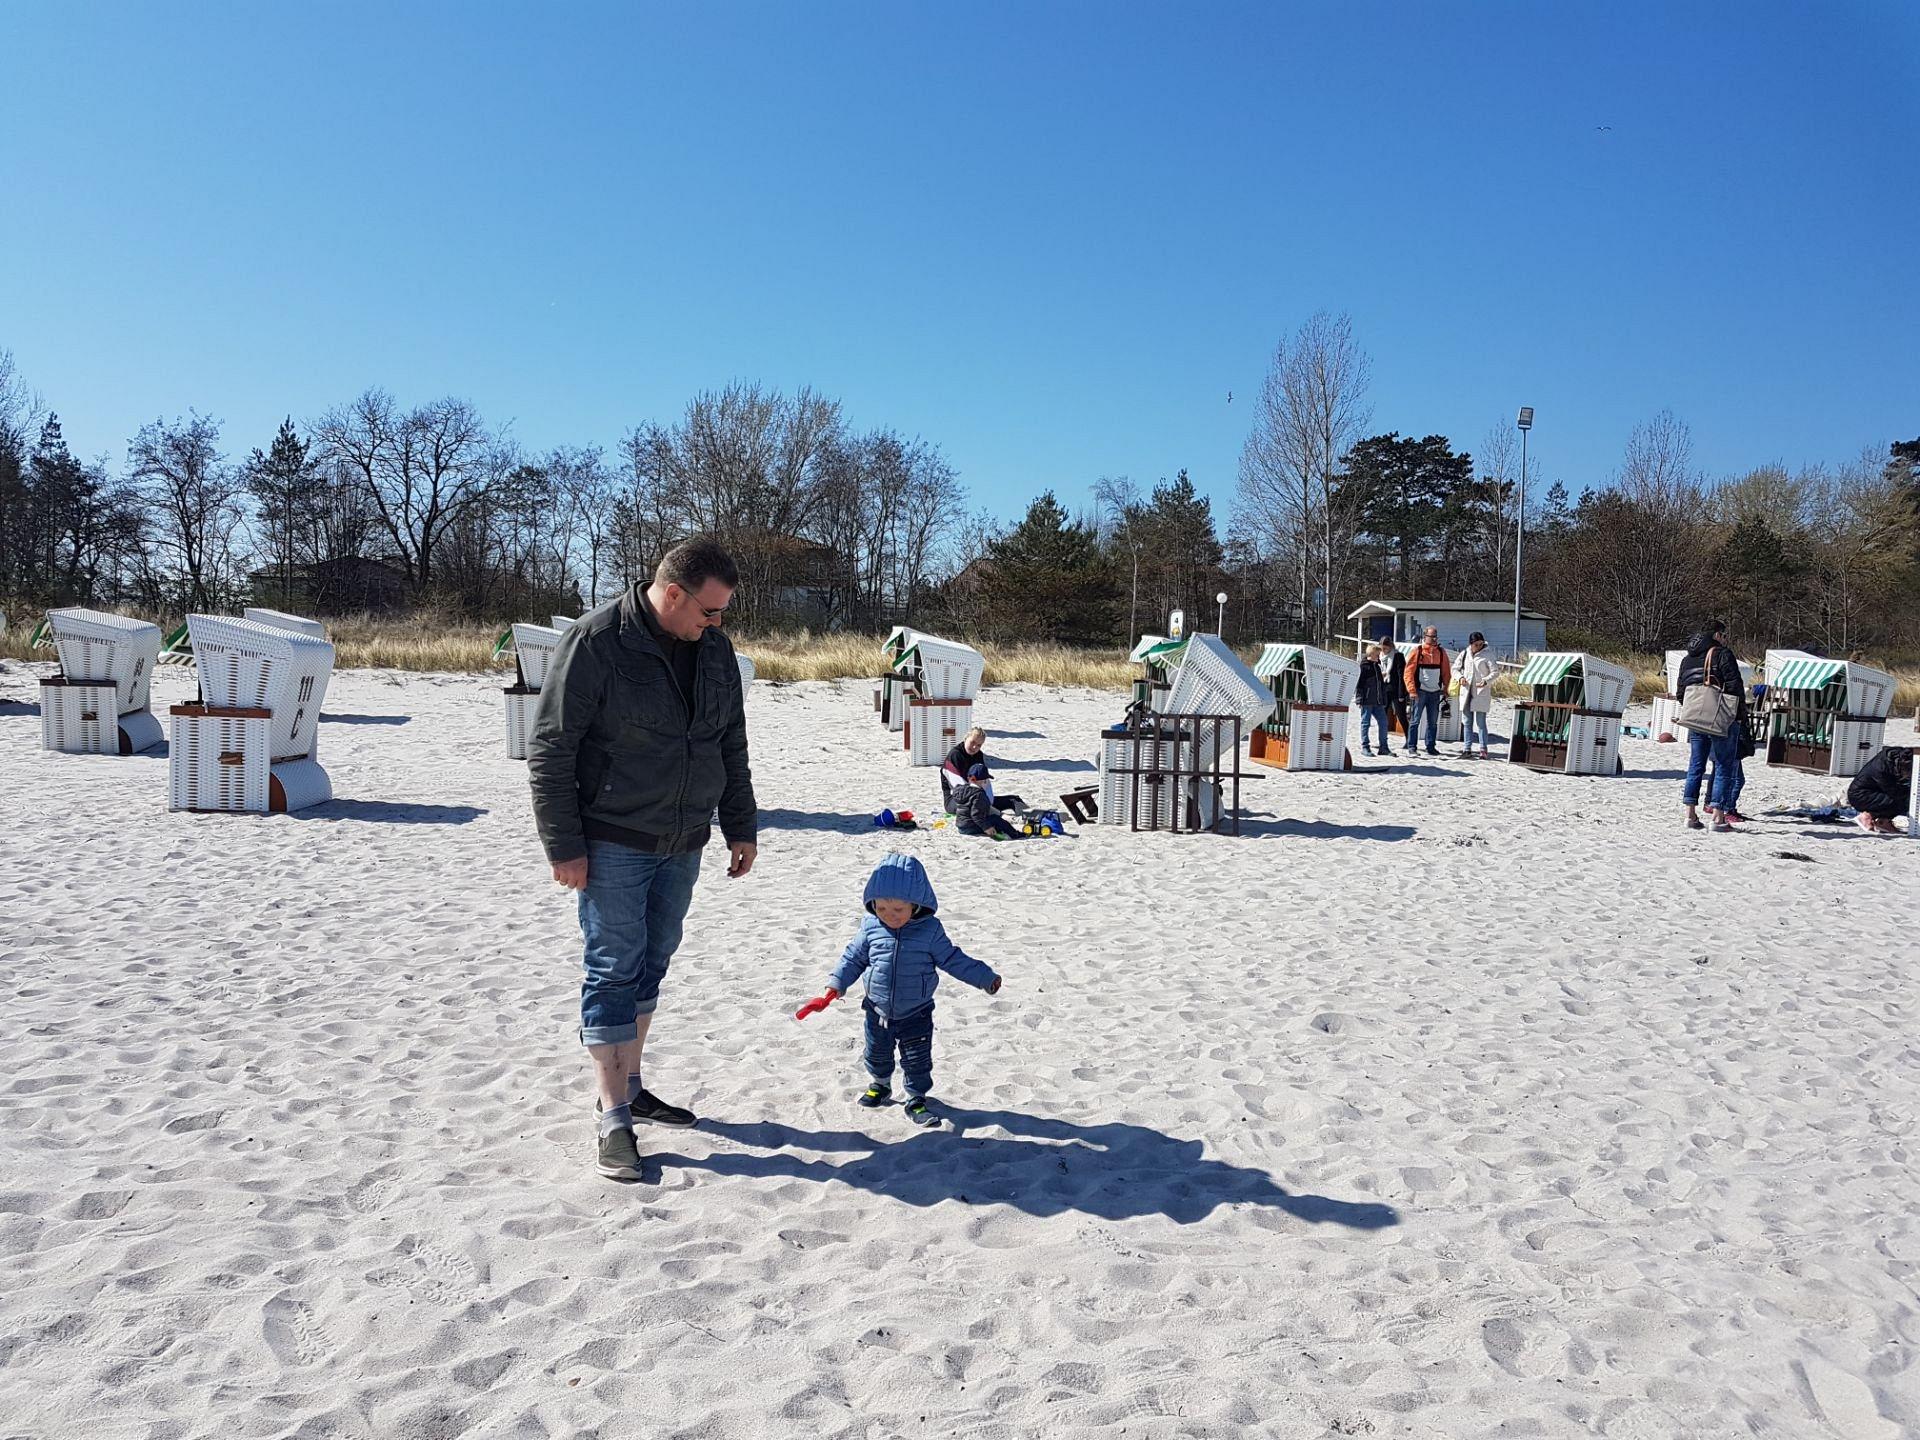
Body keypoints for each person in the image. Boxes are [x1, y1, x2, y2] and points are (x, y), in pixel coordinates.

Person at [527, 535, 758, 1182]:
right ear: (674, 593)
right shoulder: (597, 641)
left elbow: (730, 742)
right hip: (611, 841)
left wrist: (741, 825)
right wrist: (564, 844)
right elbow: (551, 749)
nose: (717, 624)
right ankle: (612, 1118)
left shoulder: (713, 649)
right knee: (612, 970)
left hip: (683, 839)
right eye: (709, 611)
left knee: (653, 964)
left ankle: (630, 1085)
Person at [814, 854, 1002, 1128]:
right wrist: (836, 985)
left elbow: (951, 958)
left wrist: (984, 977)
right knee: (876, 1053)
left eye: (898, 910)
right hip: (877, 1009)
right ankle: (880, 1084)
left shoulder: (930, 931)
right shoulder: (870, 927)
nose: (890, 917)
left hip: (916, 1011)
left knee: (916, 1059)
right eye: (881, 909)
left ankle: (916, 1098)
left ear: (916, 905)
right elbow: (854, 958)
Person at [1676, 620, 1743, 833]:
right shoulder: (1722, 654)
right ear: (1716, 635)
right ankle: (1718, 816)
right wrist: (1738, 715)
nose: (1725, 639)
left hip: (1695, 719)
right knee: (1724, 765)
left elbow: (1680, 692)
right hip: (1719, 718)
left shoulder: (1688, 658)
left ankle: (1690, 814)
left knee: (1696, 765)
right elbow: (1734, 686)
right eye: (1723, 634)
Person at [1403, 626, 1452, 757]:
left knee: (1433, 722)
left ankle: (1431, 746)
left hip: (1435, 692)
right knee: (1415, 721)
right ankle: (1412, 746)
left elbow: (1446, 672)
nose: (1434, 638)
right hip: (1419, 692)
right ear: (1425, 637)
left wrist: (1446, 688)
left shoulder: (1441, 653)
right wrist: (1412, 690)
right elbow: (1408, 673)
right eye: (1432, 636)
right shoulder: (1417, 651)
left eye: (1436, 636)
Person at [1847, 745, 1914, 833]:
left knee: (1904, 798)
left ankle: (1883, 821)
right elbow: (1893, 791)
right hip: (1860, 796)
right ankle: (1868, 816)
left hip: (1873, 791)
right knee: (1902, 801)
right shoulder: (1881, 767)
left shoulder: (1893, 760)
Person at [950, 763, 1023, 840]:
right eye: (987, 781)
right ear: (984, 781)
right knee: (996, 820)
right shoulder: (979, 794)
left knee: (992, 818)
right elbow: (976, 816)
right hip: (970, 827)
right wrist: (986, 828)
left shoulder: (962, 790)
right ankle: (1015, 834)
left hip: (961, 826)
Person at [1453, 632, 1497, 759]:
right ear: (1471, 644)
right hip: (1467, 691)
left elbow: (1495, 672)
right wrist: (1460, 677)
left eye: (1481, 644)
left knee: (1481, 722)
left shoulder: (1487, 654)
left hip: (1480, 692)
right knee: (1467, 722)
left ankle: (1483, 749)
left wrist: (1486, 680)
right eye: (1476, 644)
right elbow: (1455, 668)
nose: (1478, 646)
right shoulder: (1465, 653)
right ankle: (1467, 749)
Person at [1354, 641, 1394, 757]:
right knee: (1365, 723)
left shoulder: (1377, 666)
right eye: (1377, 654)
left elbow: (1380, 684)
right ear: (1371, 654)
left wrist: (1383, 698)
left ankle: (1384, 747)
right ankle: (1365, 747)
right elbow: (1360, 684)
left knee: (1383, 722)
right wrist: (1359, 699)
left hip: (1378, 701)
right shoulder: (1364, 666)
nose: (1379, 656)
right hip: (1367, 700)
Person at [940, 726, 988, 809]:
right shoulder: (955, 755)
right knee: (976, 802)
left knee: (988, 800)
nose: (974, 747)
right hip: (955, 798)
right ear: (966, 739)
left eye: (978, 745)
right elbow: (959, 787)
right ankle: (1000, 814)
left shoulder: (979, 755)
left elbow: (984, 779)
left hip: (974, 792)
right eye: (972, 742)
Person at [1379, 640, 1411, 752]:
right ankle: (1382, 741)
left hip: (1397, 690)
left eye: (1385, 648)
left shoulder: (1398, 656)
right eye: (1382, 648)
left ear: (1391, 647)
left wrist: (1402, 693)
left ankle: (1409, 739)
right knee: (1382, 716)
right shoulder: (1380, 656)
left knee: (1401, 715)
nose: (1383, 651)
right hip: (1384, 690)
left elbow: (1401, 675)